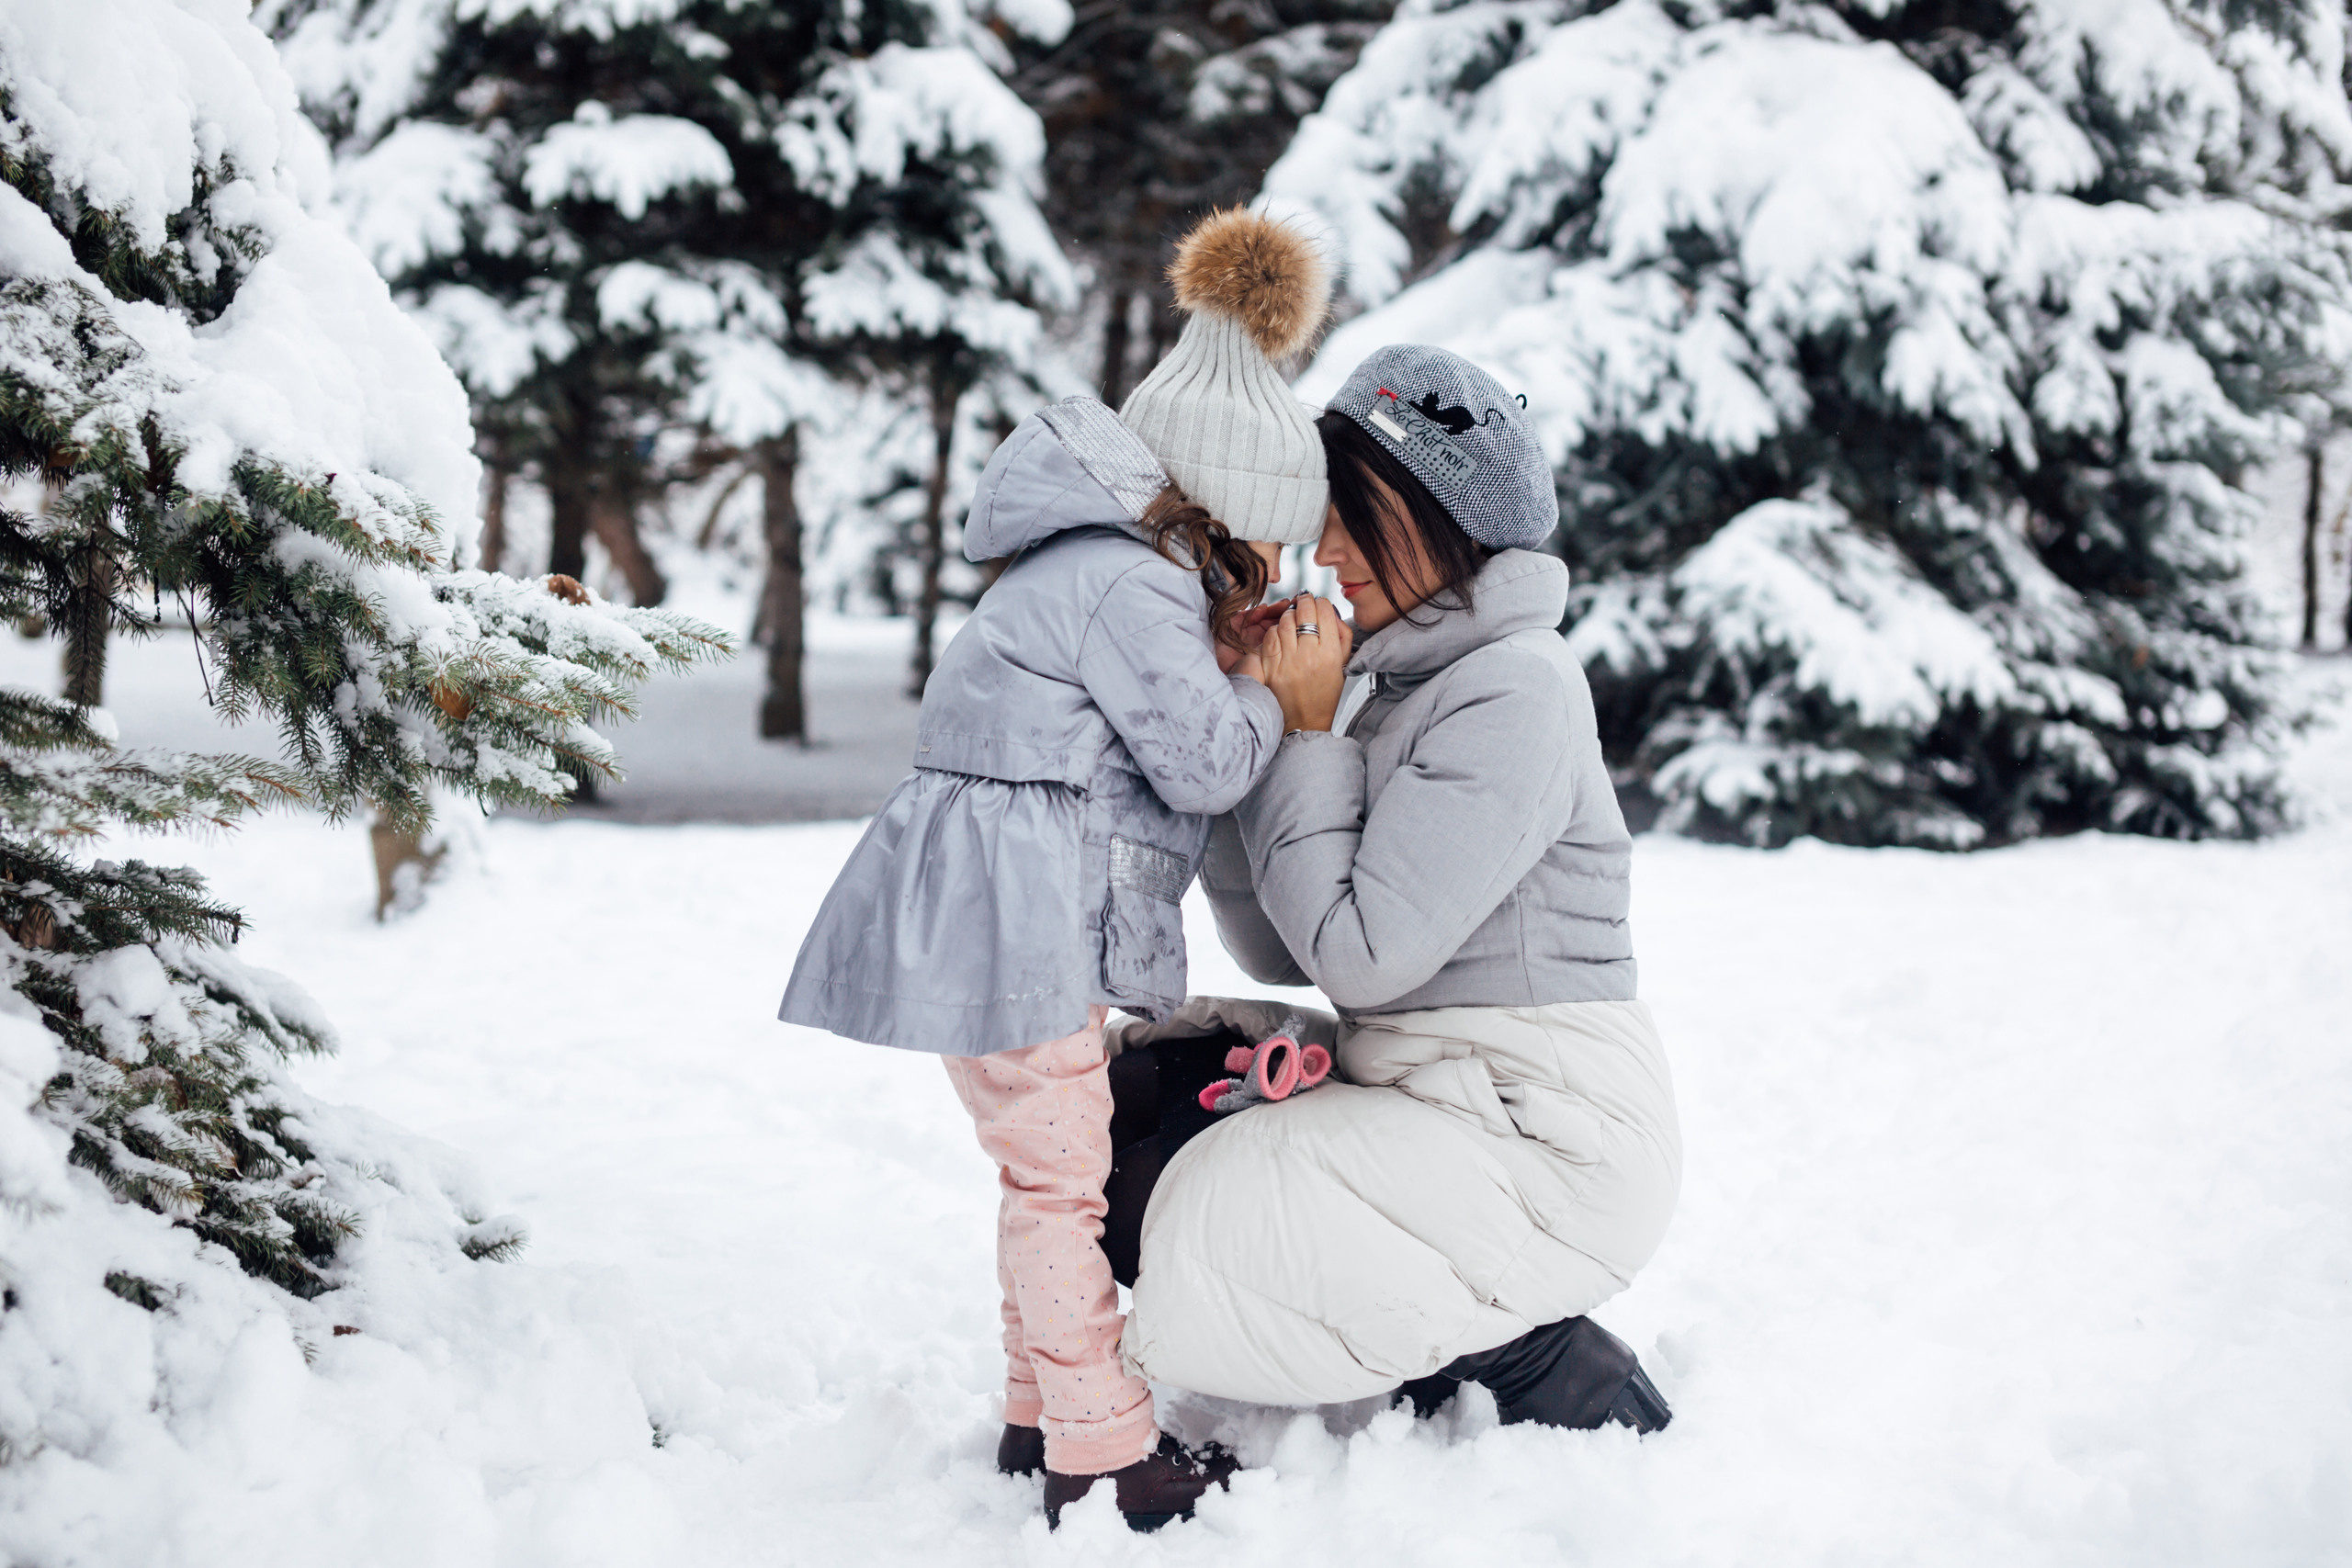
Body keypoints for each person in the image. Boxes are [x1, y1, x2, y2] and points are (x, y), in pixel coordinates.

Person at [778, 209, 1331, 1529]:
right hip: (1023, 924)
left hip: (1007, 916)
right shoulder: (1133, 591)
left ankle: (1043, 1413)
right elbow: (1199, 761)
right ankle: (1099, 1448)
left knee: (1045, 1176)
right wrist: (1287, 701)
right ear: (1217, 519)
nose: (1263, 582)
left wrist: (1230, 651)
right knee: (1061, 1182)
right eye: (1260, 555)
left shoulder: (1085, 567)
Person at [1115, 344, 1681, 1432]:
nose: (1326, 549)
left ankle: (1526, 1356)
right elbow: (1282, 947)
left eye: (1358, 513)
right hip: (1427, 1093)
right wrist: (1263, 721)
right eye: (1325, 512)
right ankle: (1445, 1317)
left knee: (1181, 1201)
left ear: (1447, 513)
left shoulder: (1517, 688)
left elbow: (1359, 955)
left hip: (1544, 1130)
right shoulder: (1397, 677)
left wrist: (1313, 729)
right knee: (1126, 1110)